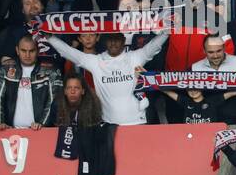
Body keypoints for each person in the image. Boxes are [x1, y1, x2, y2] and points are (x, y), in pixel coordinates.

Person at [41, 27, 169, 126]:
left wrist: (168, 30)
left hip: (138, 122)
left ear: (124, 41)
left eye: (117, 39)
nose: (113, 43)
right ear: (105, 41)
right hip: (109, 124)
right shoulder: (96, 61)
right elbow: (68, 52)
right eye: (110, 39)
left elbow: (154, 46)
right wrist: (49, 37)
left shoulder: (135, 57)